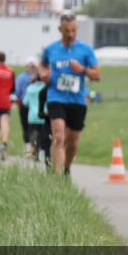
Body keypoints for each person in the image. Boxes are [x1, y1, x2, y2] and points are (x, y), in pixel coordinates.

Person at [40, 13, 101, 176]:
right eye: (67, 31)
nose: (71, 34)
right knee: (59, 137)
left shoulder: (85, 50)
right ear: (60, 29)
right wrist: (44, 74)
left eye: (73, 30)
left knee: (73, 141)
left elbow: (97, 75)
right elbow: (42, 66)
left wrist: (82, 70)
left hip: (77, 99)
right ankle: (56, 175)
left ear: (77, 29)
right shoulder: (51, 49)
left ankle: (66, 168)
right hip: (56, 96)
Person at [23, 72, 48, 163]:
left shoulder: (30, 88)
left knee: (33, 134)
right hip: (43, 114)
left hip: (32, 116)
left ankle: (33, 151)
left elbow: (25, 102)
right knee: (43, 135)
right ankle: (41, 151)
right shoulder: (45, 88)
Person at [15, 58, 38, 146]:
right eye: (28, 66)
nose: (28, 68)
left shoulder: (38, 76)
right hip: (25, 104)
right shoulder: (21, 77)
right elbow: (18, 92)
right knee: (26, 125)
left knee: (34, 126)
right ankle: (28, 146)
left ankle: (34, 145)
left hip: (35, 105)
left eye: (31, 66)